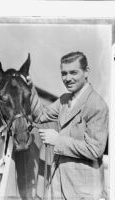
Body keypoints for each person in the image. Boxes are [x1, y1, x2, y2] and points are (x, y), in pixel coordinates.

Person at [28, 51, 109, 200]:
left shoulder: (97, 105)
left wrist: (57, 140)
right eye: (64, 73)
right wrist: (29, 89)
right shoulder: (64, 100)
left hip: (84, 193)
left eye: (73, 72)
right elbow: (40, 116)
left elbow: (95, 150)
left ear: (86, 72)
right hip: (57, 187)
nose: (68, 78)